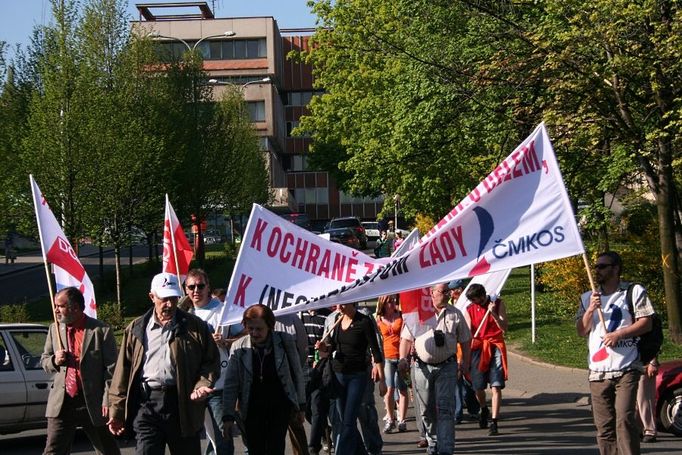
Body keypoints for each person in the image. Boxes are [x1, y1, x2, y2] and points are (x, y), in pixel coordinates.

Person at [107, 272, 220, 454]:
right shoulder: (136, 328)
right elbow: (122, 372)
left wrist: (202, 384)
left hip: (181, 404)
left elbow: (211, 361)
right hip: (146, 405)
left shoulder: (195, 327)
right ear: (152, 297)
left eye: (173, 298)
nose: (169, 304)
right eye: (164, 299)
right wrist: (116, 411)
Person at [576, 251, 654, 455]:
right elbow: (581, 330)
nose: (597, 271)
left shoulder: (633, 291)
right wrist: (591, 309)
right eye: (596, 267)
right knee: (604, 427)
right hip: (598, 371)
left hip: (626, 367)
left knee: (624, 419)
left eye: (602, 266)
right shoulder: (587, 297)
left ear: (616, 268)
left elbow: (646, 323)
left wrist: (619, 334)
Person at [40, 287, 120, 455]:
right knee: (53, 450)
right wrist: (54, 360)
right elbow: (44, 361)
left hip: (92, 401)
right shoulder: (54, 329)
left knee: (107, 449)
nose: (56, 310)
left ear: (75, 307)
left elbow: (112, 370)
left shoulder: (100, 330)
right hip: (62, 402)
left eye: (60, 306)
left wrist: (108, 400)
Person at [222, 304, 306, 455]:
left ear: (270, 326)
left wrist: (301, 405)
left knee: (275, 448)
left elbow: (297, 373)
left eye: (259, 329)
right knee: (256, 449)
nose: (254, 333)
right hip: (251, 408)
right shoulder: (238, 347)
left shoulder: (284, 341)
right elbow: (231, 383)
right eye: (250, 328)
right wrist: (227, 415)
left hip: (279, 406)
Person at [398, 282, 471, 455]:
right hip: (421, 368)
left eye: (448, 291)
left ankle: (446, 450)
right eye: (443, 291)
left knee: (446, 409)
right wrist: (402, 359)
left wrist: (465, 363)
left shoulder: (455, 314)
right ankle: (433, 441)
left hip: (447, 367)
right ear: (431, 293)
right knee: (426, 410)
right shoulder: (419, 314)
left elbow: (466, 340)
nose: (447, 294)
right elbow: (406, 340)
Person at [317, 302, 386, 455]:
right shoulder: (336, 320)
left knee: (348, 421)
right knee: (344, 421)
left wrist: (382, 380)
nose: (338, 307)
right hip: (339, 375)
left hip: (357, 376)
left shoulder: (364, 321)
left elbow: (376, 350)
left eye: (342, 304)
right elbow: (332, 347)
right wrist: (324, 348)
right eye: (336, 304)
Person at [184, 269, 234, 455]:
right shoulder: (182, 314)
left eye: (200, 286)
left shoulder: (223, 311)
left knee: (222, 437)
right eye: (191, 286)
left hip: (217, 386)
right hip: (192, 386)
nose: (196, 290)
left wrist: (226, 341)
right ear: (186, 289)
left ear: (208, 287)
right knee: (196, 437)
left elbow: (246, 335)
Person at [465, 283, 508, 436]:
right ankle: (483, 408)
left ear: (482, 296)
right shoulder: (469, 310)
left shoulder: (498, 304)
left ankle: (494, 422)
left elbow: (505, 327)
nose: (474, 303)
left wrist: (494, 314)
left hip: (495, 346)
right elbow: (468, 332)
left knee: (495, 386)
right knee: (478, 386)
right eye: (472, 301)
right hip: (478, 348)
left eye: (476, 300)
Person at [300, 308, 333, 455]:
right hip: (304, 366)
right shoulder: (299, 315)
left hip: (320, 367)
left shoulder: (326, 315)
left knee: (316, 407)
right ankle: (324, 430)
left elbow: (329, 343)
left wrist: (321, 354)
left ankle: (313, 447)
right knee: (306, 409)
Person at [375, 294, 408, 433]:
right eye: (389, 302)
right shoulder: (378, 319)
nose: (392, 304)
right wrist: (375, 363)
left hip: (401, 356)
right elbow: (375, 344)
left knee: (402, 389)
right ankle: (390, 417)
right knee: (389, 390)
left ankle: (402, 420)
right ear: (383, 303)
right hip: (386, 358)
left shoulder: (401, 315)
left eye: (393, 301)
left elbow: (407, 335)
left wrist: (406, 357)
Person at [448, 279, 480, 424]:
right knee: (456, 382)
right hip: (452, 348)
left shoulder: (466, 305)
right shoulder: (448, 305)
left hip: (465, 347)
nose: (452, 293)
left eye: (454, 290)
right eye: (450, 291)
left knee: (468, 382)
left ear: (460, 290)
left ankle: (473, 409)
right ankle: (457, 413)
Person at [637, 355, 659, 443]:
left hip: (644, 365)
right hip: (631, 366)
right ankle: (638, 429)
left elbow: (652, 343)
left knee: (645, 399)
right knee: (635, 402)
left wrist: (652, 362)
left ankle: (650, 431)